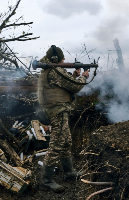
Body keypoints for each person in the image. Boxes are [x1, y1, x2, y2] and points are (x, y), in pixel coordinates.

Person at [37, 45, 89, 193]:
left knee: (66, 141)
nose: (64, 59)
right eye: (62, 57)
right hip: (58, 111)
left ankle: (69, 172)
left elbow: (62, 85)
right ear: (55, 59)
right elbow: (76, 86)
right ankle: (46, 180)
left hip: (56, 109)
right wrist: (83, 76)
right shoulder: (55, 71)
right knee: (57, 143)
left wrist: (73, 76)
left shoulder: (49, 70)